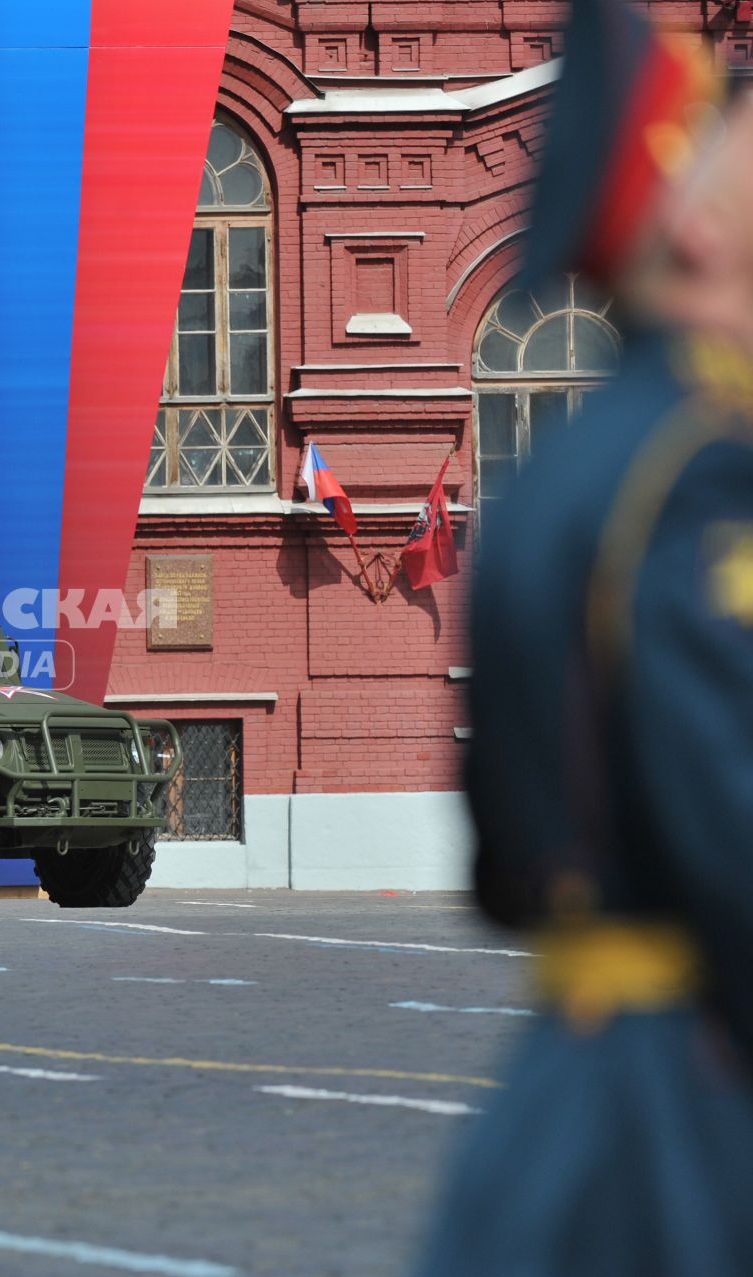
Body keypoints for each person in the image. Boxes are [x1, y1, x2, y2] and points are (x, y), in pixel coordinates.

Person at [417, 3, 753, 1271]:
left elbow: (506, 858)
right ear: (698, 223)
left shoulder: (574, 465)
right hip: (695, 1119)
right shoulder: (706, 480)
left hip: (572, 1081)